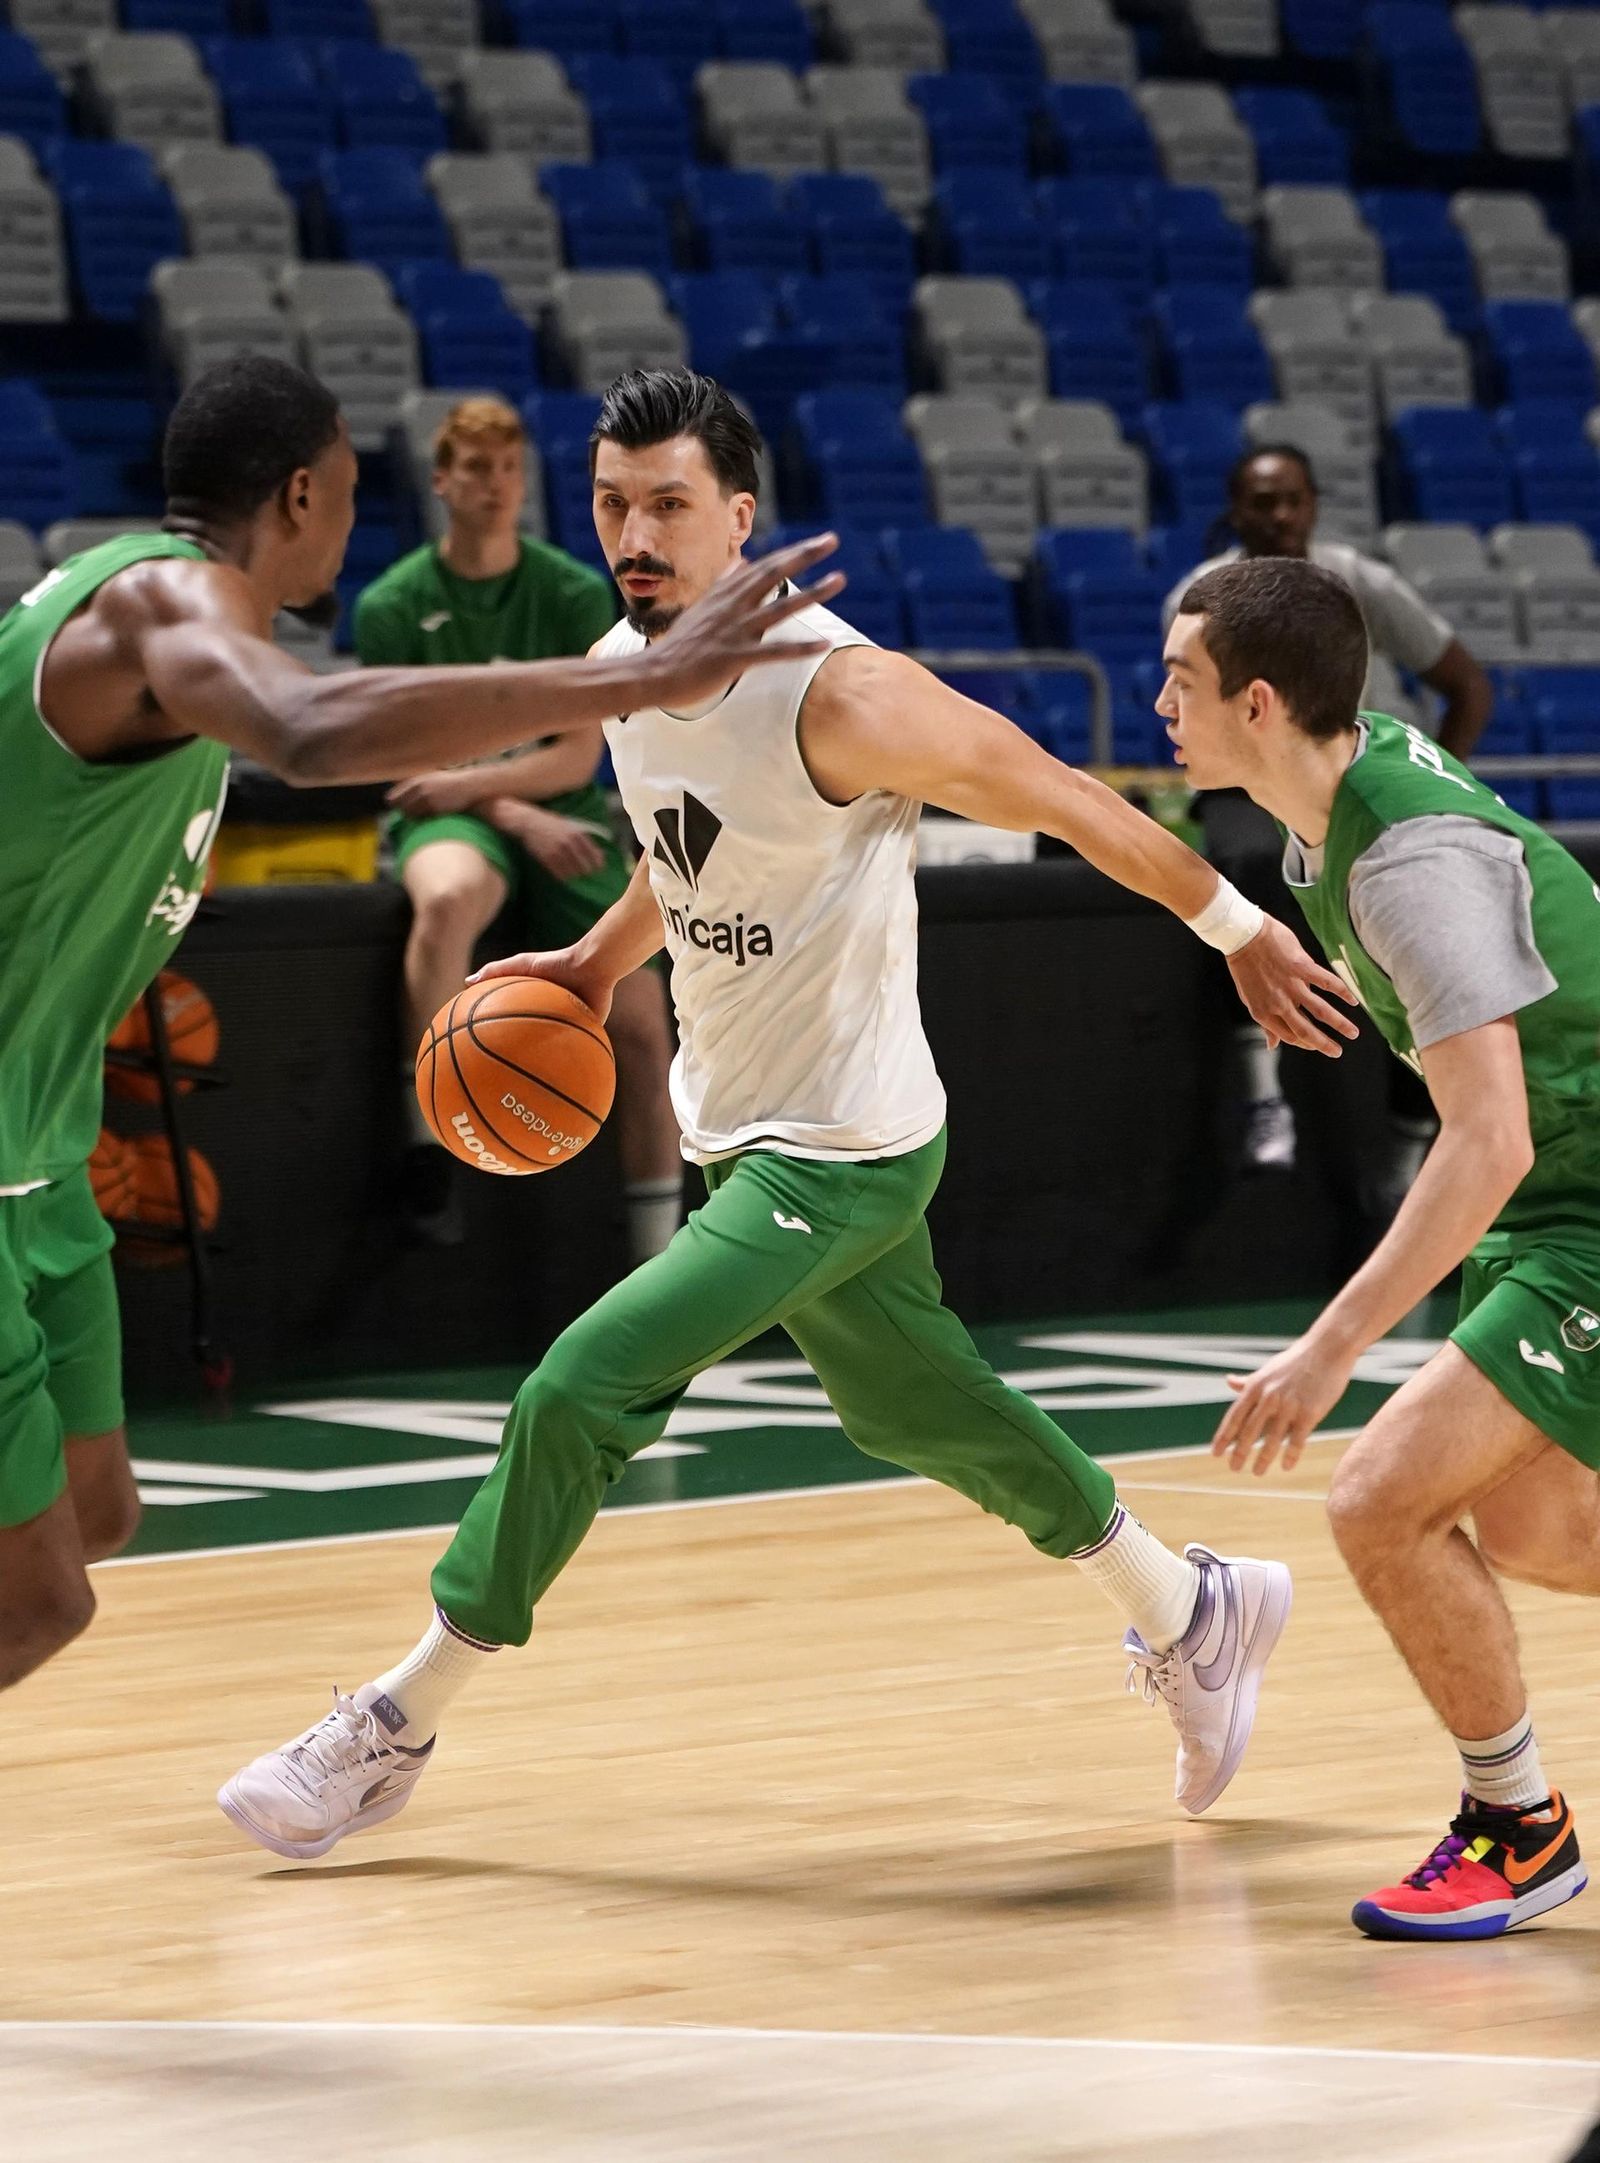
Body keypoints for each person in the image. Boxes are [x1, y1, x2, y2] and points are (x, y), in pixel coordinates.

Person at [217, 368, 1362, 1862]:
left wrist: (1236, 925)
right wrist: (587, 959)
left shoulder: (846, 692)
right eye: (614, 502)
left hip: (843, 1147)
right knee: (912, 1403)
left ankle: (394, 1722)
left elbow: (1066, 795)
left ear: (740, 518)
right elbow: (689, 852)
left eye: (670, 504)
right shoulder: (622, 669)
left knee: (581, 1383)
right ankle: (1191, 1606)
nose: (633, 531)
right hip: (744, 1125)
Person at [0, 352, 857, 1696]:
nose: (355, 519)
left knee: (97, 1512)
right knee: (38, 1601)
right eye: (348, 490)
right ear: (299, 493)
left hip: (39, 1161)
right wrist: (632, 680)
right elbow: (303, 727)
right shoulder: (165, 597)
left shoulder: (172, 619)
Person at [1158, 555, 1598, 1940]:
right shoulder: (1333, 801)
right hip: (1560, 1194)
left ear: (1263, 702)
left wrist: (1327, 1347)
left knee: (1379, 1497)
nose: (1160, 700)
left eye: (1182, 679)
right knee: (1533, 1520)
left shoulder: (1406, 857)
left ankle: (1516, 1827)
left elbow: (1489, 1140)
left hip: (1580, 1193)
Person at [356, 395, 681, 1257]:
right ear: (441, 481)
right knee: (450, 897)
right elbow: (404, 765)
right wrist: (511, 810)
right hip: (463, 820)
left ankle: (659, 1258)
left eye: (510, 469)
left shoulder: (573, 591)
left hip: (561, 813)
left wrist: (507, 799)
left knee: (647, 1029)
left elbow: (577, 759)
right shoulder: (394, 604)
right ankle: (429, 1148)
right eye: (476, 468)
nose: (496, 486)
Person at [1163, 444, 1494, 1187]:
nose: (1279, 515)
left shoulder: (1363, 583)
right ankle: (1263, 1096)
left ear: (1313, 505)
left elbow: (1467, 684)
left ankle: (1410, 1158)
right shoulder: (1199, 596)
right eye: (1261, 501)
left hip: (1363, 784)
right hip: (1251, 791)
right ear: (1234, 510)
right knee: (1247, 867)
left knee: (1420, 955)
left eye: (1292, 500)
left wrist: (1435, 788)